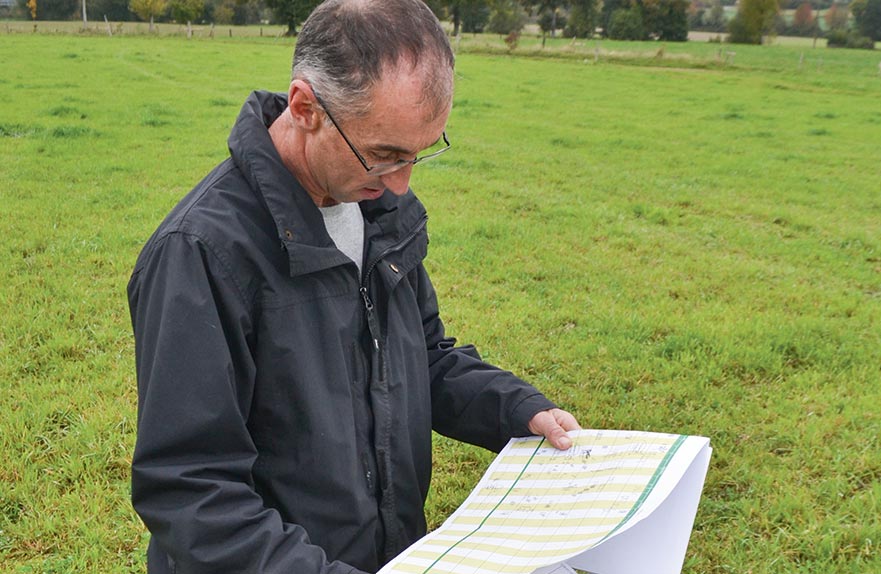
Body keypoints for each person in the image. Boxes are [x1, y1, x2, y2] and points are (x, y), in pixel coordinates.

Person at [126, 0, 580, 572]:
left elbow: (424, 359)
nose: (400, 183)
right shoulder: (201, 253)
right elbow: (192, 489)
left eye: (418, 155)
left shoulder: (379, 211)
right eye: (385, 155)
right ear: (305, 107)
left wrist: (517, 409)